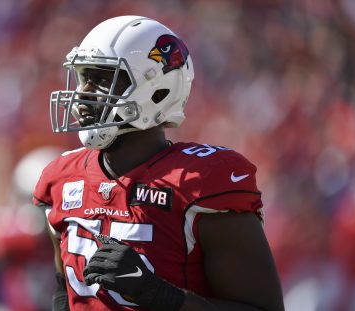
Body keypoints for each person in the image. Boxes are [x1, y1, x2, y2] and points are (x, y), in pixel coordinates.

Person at [33, 15, 284, 311]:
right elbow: (65, 292)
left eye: (103, 79)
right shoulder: (62, 179)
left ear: (155, 89)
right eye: (84, 78)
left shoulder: (198, 182)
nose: (84, 94)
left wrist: (158, 294)